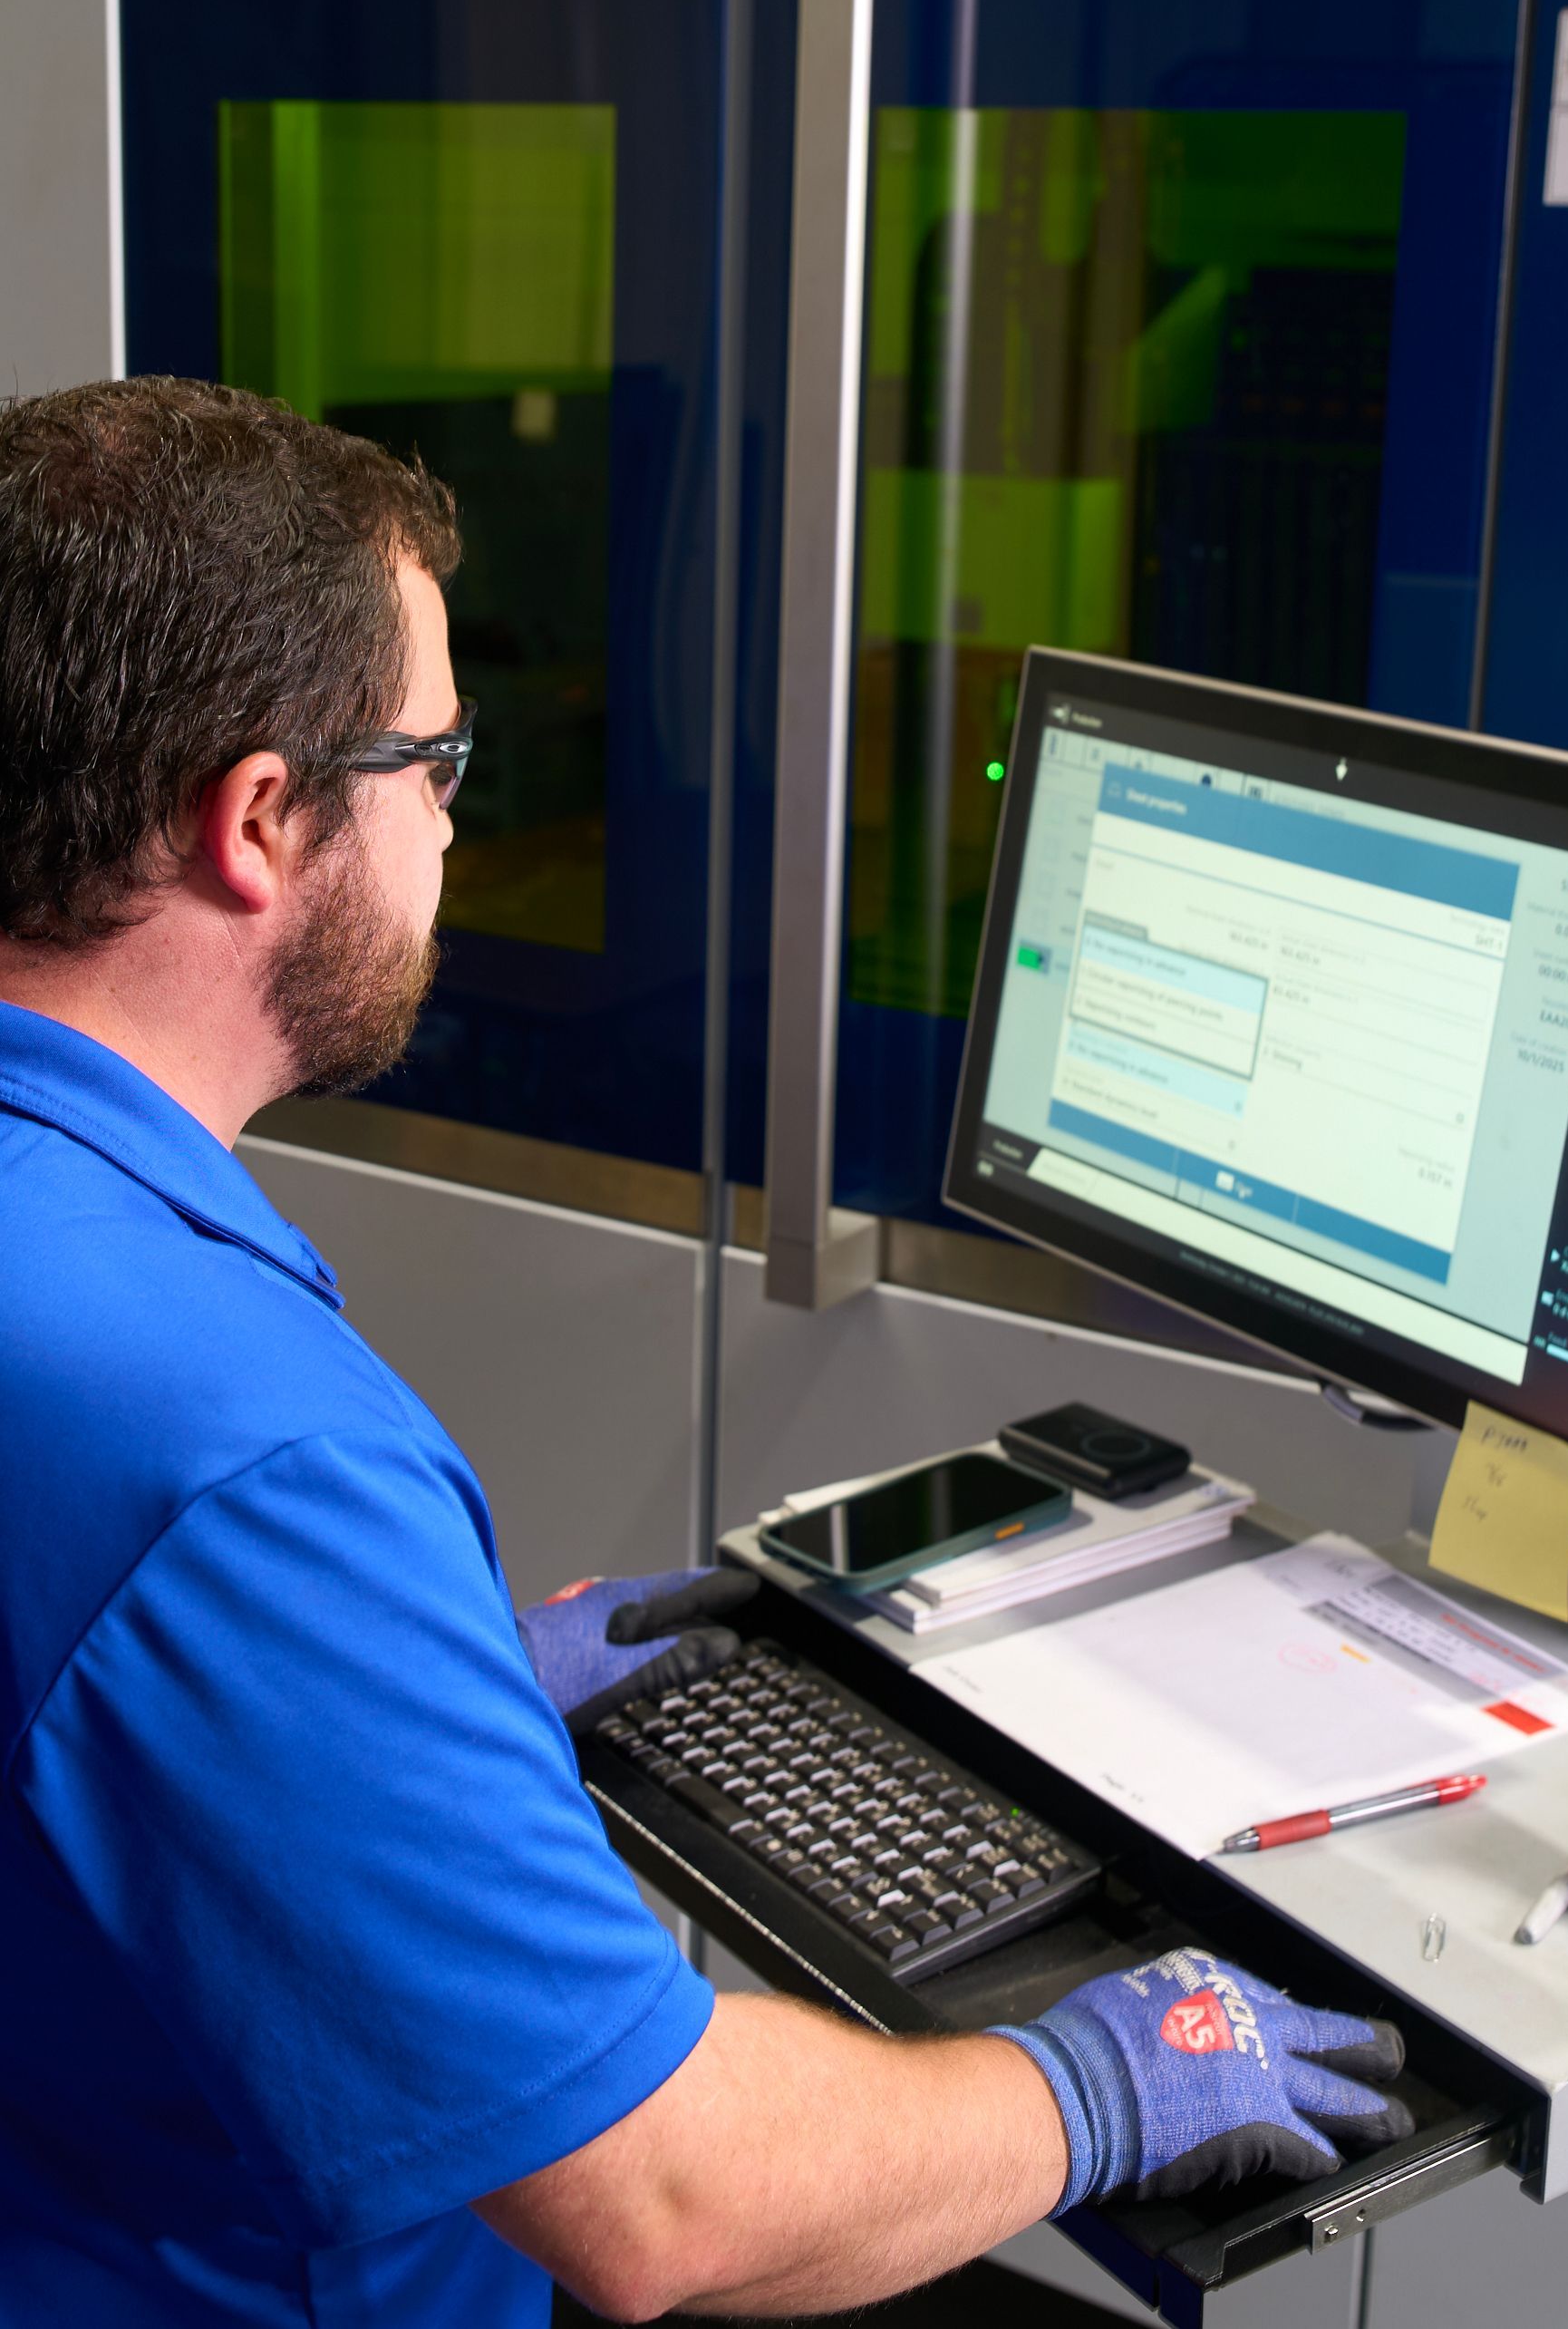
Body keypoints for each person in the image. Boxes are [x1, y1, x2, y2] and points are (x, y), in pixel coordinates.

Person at [0, 378, 1412, 2327]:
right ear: (259, 822)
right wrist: (1101, 2083)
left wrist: (385, 1714)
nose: (450, 823)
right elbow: (667, 2201)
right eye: (434, 763)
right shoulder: (235, 1456)